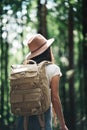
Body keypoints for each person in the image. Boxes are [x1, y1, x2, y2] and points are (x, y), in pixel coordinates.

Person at [15, 34, 68, 130]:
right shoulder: (53, 69)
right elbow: (55, 98)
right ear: (47, 50)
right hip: (42, 118)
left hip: (22, 119)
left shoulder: (25, 69)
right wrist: (63, 124)